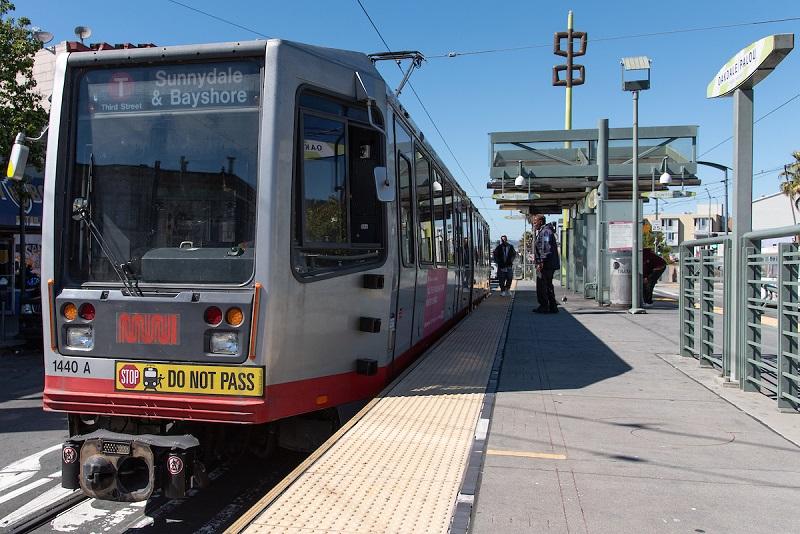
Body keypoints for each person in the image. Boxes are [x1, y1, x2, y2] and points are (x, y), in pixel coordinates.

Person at [532, 215, 560, 313]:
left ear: (541, 221)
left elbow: (546, 248)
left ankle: (544, 306)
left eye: (535, 222)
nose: (534, 224)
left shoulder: (545, 232)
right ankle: (552, 306)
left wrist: (541, 262)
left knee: (542, 285)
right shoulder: (545, 231)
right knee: (548, 285)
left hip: (546, 265)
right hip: (548, 264)